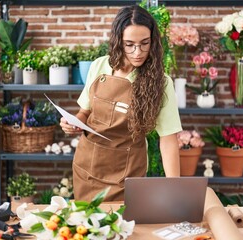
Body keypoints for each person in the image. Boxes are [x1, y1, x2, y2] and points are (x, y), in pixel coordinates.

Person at [60, 5, 182, 201]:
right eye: (129, 44)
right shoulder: (99, 65)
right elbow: (85, 111)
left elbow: (168, 140)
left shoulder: (161, 82)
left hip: (127, 173)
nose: (138, 52)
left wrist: (174, 190)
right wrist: (73, 122)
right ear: (118, 42)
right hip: (87, 167)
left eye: (144, 43)